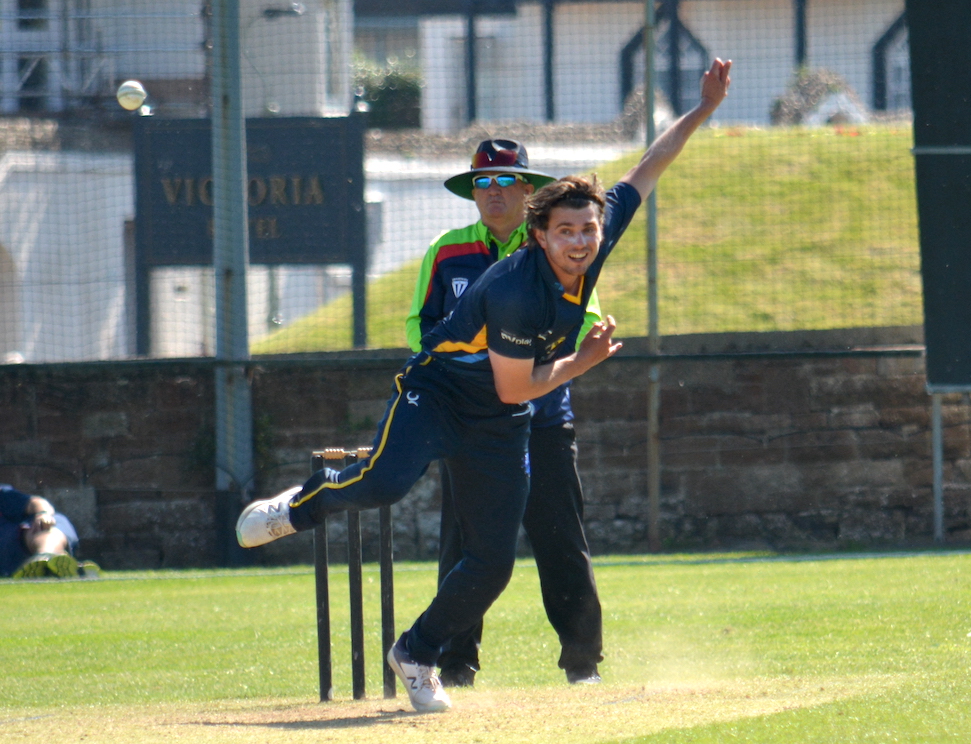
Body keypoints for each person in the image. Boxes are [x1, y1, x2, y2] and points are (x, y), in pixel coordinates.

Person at [236, 58, 731, 713]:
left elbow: (647, 168)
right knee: (383, 484)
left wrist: (702, 110)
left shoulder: (592, 235)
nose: (581, 242)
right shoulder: (515, 292)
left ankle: (416, 653)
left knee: (492, 564)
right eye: (567, 233)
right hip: (441, 396)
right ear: (540, 234)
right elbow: (516, 387)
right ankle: (294, 509)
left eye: (589, 230)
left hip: (501, 422)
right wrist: (585, 360)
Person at [406, 138, 606, 687]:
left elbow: (584, 319)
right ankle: (453, 664)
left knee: (560, 537)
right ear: (473, 192)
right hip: (471, 422)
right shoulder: (446, 250)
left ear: (527, 191)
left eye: (506, 181)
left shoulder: (555, 246)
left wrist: (534, 362)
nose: (493, 193)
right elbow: (419, 327)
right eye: (483, 183)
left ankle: (582, 663)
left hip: (541, 416)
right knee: (465, 545)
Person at [1, 484, 80, 578]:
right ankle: (61, 567)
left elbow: (36, 503)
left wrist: (42, 515)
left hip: (31, 541)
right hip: (9, 553)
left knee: (45, 525)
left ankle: (46, 559)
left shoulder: (4, 495)